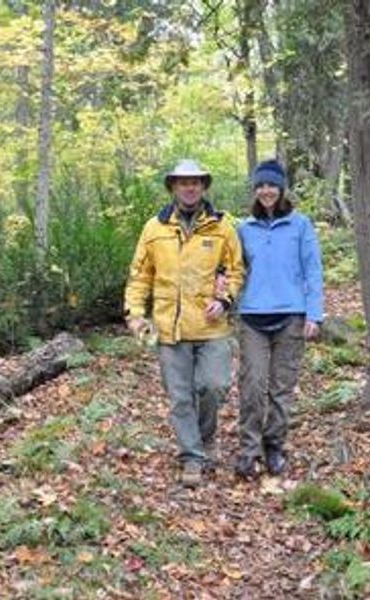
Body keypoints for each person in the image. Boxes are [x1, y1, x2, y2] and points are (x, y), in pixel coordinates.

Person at [124, 159, 244, 488]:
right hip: (168, 328)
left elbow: (235, 271)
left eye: (195, 182)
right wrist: (134, 313)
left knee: (213, 386)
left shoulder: (222, 227)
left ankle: (206, 439)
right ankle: (192, 456)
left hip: (212, 327)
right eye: (182, 182)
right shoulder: (154, 228)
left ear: (203, 187)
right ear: (173, 187)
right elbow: (139, 276)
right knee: (179, 397)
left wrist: (225, 299)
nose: (189, 187)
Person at [234, 159, 324, 479]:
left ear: (281, 188)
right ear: (255, 190)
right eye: (260, 185)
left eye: (271, 185)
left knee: (282, 388)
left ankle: (274, 446)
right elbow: (232, 271)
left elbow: (313, 270)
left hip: (291, 316)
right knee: (253, 385)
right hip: (252, 317)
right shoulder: (244, 229)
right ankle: (248, 450)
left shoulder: (300, 225)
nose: (266, 191)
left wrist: (315, 313)